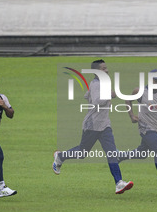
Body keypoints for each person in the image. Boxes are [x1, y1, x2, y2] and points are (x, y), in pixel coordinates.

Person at [53, 59, 134, 194]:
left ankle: (119, 183)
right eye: (103, 69)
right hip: (92, 125)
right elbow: (96, 101)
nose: (107, 70)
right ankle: (60, 156)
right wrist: (110, 96)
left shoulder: (101, 83)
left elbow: (88, 96)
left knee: (112, 154)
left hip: (104, 125)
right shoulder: (96, 84)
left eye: (106, 68)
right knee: (82, 152)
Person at [119, 69, 157, 195]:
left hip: (156, 128)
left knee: (142, 153)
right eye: (156, 80)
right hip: (145, 128)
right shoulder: (141, 92)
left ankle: (119, 156)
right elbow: (127, 99)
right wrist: (131, 116)